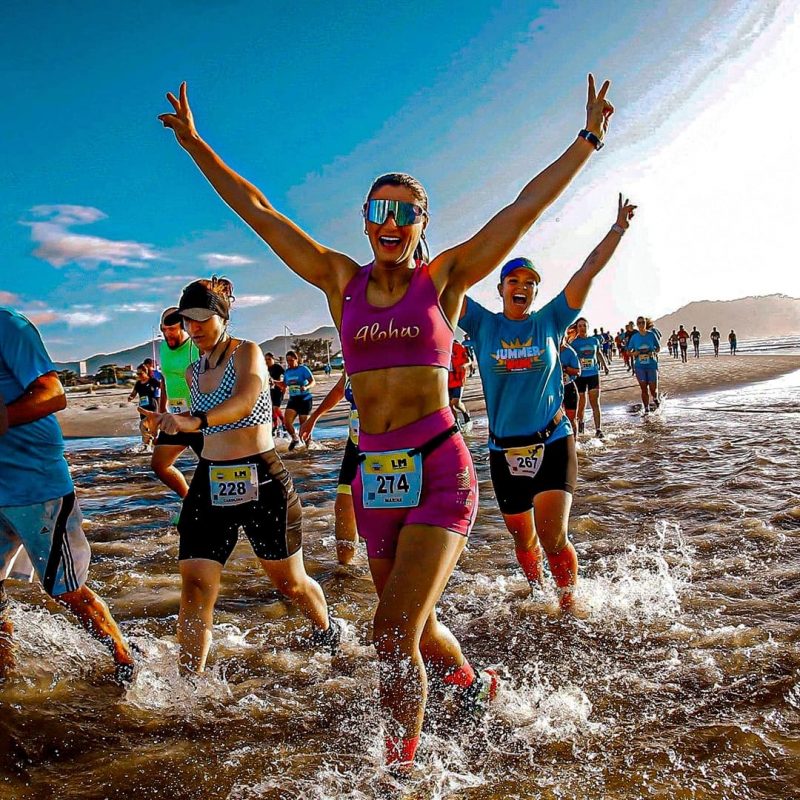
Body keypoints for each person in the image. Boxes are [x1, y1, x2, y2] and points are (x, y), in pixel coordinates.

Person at [159, 72, 614, 771]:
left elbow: (522, 209)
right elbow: (260, 210)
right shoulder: (341, 282)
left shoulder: (448, 281)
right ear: (366, 217)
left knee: (390, 631)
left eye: (407, 214)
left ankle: (398, 773)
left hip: (438, 467)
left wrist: (586, 141)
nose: (393, 225)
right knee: (417, 626)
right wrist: (196, 146)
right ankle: (473, 685)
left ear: (423, 225)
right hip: (378, 478)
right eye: (381, 210)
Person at [140, 278, 339, 674]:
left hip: (261, 480)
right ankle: (190, 685)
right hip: (210, 482)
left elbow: (244, 400)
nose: (194, 328)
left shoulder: (245, 352)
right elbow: (208, 429)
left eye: (202, 319)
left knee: (290, 584)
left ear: (222, 317)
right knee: (195, 586)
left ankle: (327, 632)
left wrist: (195, 419)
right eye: (187, 320)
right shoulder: (195, 371)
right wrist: (172, 426)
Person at [461, 200, 634, 611]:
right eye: (513, 280)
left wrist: (618, 229)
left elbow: (587, 269)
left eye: (530, 282)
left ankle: (569, 605)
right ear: (501, 287)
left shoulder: (551, 320)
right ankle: (540, 592)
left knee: (553, 536)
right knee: (523, 541)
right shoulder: (483, 324)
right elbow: (440, 284)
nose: (521, 286)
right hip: (503, 451)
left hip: (552, 440)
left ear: (536, 291)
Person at [0, 306, 134, 683]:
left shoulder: (8, 325)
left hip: (35, 484)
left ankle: (126, 665)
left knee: (66, 590)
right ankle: (6, 681)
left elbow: (53, 394)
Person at [299, 374, 359, 565]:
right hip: (357, 444)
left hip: (393, 444)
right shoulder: (351, 361)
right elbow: (339, 390)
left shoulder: (391, 352)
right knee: (343, 507)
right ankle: (345, 568)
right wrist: (314, 418)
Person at [148, 307, 203, 500]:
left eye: (172, 329)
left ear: (184, 326)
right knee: (159, 465)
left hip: (198, 420)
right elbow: (164, 379)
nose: (167, 334)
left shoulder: (196, 347)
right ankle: (188, 501)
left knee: (212, 470)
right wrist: (161, 412)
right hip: (174, 419)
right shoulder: (163, 348)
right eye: (164, 329)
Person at [570, 317, 610, 438]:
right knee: (581, 402)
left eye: (584, 325)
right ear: (577, 328)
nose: (582, 328)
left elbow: (598, 353)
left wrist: (605, 366)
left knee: (595, 403)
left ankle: (598, 429)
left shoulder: (594, 340)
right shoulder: (574, 343)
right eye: (579, 326)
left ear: (588, 327)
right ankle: (581, 423)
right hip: (580, 376)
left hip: (593, 374)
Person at [628, 315, 661, 414]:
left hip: (651, 365)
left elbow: (658, 348)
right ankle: (646, 409)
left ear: (646, 324)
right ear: (637, 325)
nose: (641, 324)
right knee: (643, 389)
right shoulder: (634, 337)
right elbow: (629, 350)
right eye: (639, 323)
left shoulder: (651, 335)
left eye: (643, 322)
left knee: (653, 389)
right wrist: (634, 353)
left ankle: (655, 398)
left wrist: (653, 352)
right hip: (640, 366)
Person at [283, 350, 315, 451]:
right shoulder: (287, 372)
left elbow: (313, 382)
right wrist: (272, 382)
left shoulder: (303, 369)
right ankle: (295, 439)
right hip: (293, 400)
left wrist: (306, 387)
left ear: (296, 359)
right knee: (287, 422)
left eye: (291, 360)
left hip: (305, 399)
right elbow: (284, 385)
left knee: (303, 425)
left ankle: (309, 446)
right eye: (287, 361)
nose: (289, 363)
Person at [129, 363, 161, 447]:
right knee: (145, 426)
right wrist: (131, 397)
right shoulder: (138, 383)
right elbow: (134, 393)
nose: (138, 375)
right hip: (143, 407)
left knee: (146, 425)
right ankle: (148, 446)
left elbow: (163, 387)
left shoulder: (152, 381)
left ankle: (151, 444)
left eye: (140, 373)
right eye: (137, 374)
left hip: (152, 406)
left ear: (146, 372)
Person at [561, 326, 581, 434]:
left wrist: (564, 368)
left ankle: (575, 445)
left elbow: (578, 371)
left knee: (571, 420)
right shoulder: (548, 350)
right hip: (552, 390)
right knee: (555, 421)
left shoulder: (570, 352)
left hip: (568, 388)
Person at [447, 338, 472, 429]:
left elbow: (469, 361)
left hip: (458, 379)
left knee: (455, 402)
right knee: (449, 405)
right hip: (446, 380)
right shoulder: (439, 348)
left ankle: (465, 414)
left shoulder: (458, 347)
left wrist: (463, 366)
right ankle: (456, 423)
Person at [264, 352, 286, 436]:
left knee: (276, 408)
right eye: (265, 359)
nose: (267, 361)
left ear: (273, 359)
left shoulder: (277, 367)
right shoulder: (265, 368)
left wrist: (284, 385)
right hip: (269, 391)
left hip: (278, 390)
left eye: (269, 359)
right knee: (272, 410)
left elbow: (286, 375)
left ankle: (284, 423)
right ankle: (275, 426)